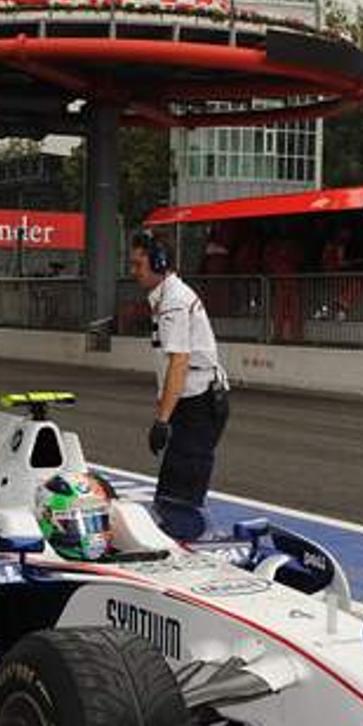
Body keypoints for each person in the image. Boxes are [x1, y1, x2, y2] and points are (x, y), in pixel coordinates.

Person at [132, 230, 228, 542]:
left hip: (199, 404)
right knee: (172, 490)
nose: (134, 271)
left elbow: (179, 362)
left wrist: (162, 420)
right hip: (194, 402)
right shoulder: (166, 296)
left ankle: (188, 546)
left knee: (179, 497)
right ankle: (182, 541)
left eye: (139, 265)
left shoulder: (173, 301)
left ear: (159, 263)